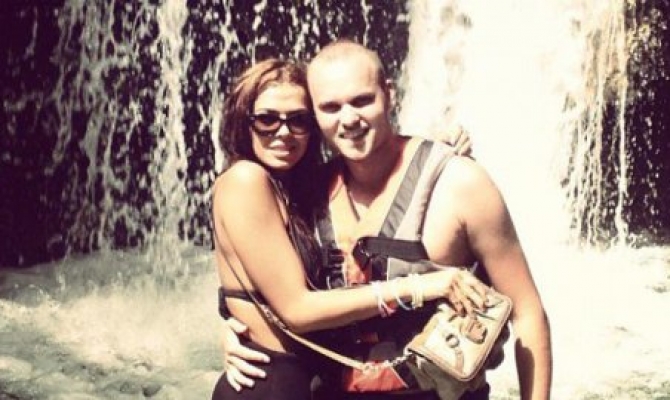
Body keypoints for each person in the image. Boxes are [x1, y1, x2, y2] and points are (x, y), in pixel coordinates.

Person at [221, 40, 553, 400]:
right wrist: (236, 327)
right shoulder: (304, 192)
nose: (349, 119)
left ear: (389, 94)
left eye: (362, 100)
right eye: (330, 107)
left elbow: (528, 314)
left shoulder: (460, 184)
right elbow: (261, 283)